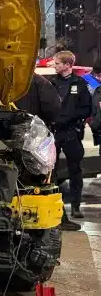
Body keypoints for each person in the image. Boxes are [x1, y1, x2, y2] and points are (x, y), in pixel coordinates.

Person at [15, 72, 81, 231]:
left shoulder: (0, 81)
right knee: (47, 178)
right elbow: (53, 109)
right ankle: (59, 220)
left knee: (16, 181)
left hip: (5, 136)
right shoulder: (38, 82)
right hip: (34, 138)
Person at [49, 51, 92, 219]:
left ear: (67, 65)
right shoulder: (51, 84)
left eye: (57, 63)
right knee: (49, 171)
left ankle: (75, 206)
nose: (55, 66)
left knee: (75, 171)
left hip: (71, 133)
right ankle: (54, 207)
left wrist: (69, 119)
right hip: (53, 133)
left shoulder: (80, 84)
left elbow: (86, 108)